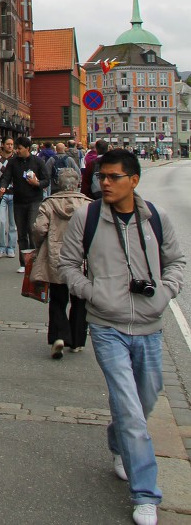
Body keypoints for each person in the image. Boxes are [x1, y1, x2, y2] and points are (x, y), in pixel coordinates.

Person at [59, 149, 185, 525]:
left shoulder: (157, 219)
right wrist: (94, 293)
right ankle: (146, 494)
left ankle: (119, 442)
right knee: (129, 407)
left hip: (149, 326)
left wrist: (164, 292)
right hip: (107, 326)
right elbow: (67, 264)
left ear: (134, 180)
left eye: (114, 177)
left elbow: (177, 262)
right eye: (102, 177)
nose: (105, 183)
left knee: (144, 401)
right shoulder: (89, 216)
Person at [30, 168, 91, 359]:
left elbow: (40, 228)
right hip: (81, 259)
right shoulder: (88, 205)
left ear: (58, 183)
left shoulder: (49, 204)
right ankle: (77, 341)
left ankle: (59, 336)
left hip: (55, 255)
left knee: (57, 298)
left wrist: (39, 245)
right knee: (80, 300)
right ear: (78, 183)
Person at [0, 136, 49, 273]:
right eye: (16, 148)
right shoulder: (13, 162)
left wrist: (37, 184)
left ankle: (35, 261)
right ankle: (23, 262)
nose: (17, 150)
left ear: (27, 148)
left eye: (19, 148)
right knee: (21, 233)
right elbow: (6, 177)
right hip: (19, 201)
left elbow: (46, 180)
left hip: (34, 200)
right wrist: (2, 187)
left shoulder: (37, 162)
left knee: (33, 231)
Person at [0, 137, 18, 259]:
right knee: (0, 220)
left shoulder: (17, 160)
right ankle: (1, 246)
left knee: (13, 223)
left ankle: (11, 247)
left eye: (12, 144)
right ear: (3, 145)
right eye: (8, 144)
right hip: (1, 193)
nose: (10, 146)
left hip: (15, 193)